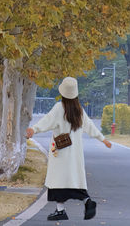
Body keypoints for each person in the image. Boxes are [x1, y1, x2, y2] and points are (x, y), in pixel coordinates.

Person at [26, 76, 112, 221]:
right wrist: (103, 139)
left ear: (63, 93)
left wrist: (34, 129)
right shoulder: (79, 110)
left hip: (60, 152)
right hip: (74, 154)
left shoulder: (60, 108)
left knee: (58, 181)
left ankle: (61, 210)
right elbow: (90, 127)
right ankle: (86, 202)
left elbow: (46, 121)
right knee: (74, 179)